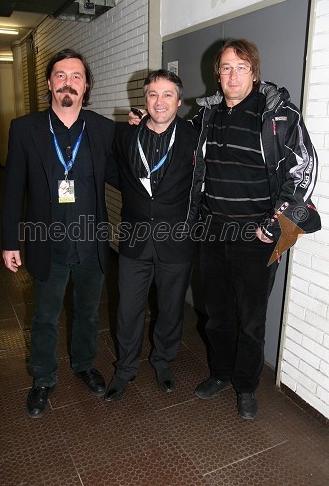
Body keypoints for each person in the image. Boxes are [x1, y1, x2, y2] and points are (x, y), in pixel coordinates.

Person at [189, 39, 321, 419]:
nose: (232, 75)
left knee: (251, 318)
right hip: (213, 233)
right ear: (218, 74)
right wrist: (143, 123)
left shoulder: (278, 115)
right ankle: (221, 373)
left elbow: (304, 171)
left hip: (257, 238)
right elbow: (183, 151)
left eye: (240, 67)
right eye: (226, 68)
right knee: (217, 315)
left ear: (254, 72)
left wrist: (272, 225)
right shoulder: (206, 117)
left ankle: (246, 387)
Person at [1, 48, 118, 418]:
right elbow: (13, 189)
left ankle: (84, 365)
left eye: (77, 76)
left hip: (91, 243)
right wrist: (8, 242)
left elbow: (122, 175)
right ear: (50, 83)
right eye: (61, 75)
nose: (69, 82)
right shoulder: (24, 129)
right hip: (45, 243)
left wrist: (144, 134)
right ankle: (43, 378)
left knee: (87, 314)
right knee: (45, 316)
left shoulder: (102, 129)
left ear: (86, 87)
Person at [105, 69, 204, 402]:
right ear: (143, 100)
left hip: (177, 241)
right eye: (152, 95)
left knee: (171, 308)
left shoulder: (194, 136)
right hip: (134, 239)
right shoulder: (124, 136)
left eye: (167, 95)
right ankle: (125, 369)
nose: (159, 102)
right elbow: (115, 174)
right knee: (128, 308)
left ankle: (163, 361)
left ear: (178, 100)